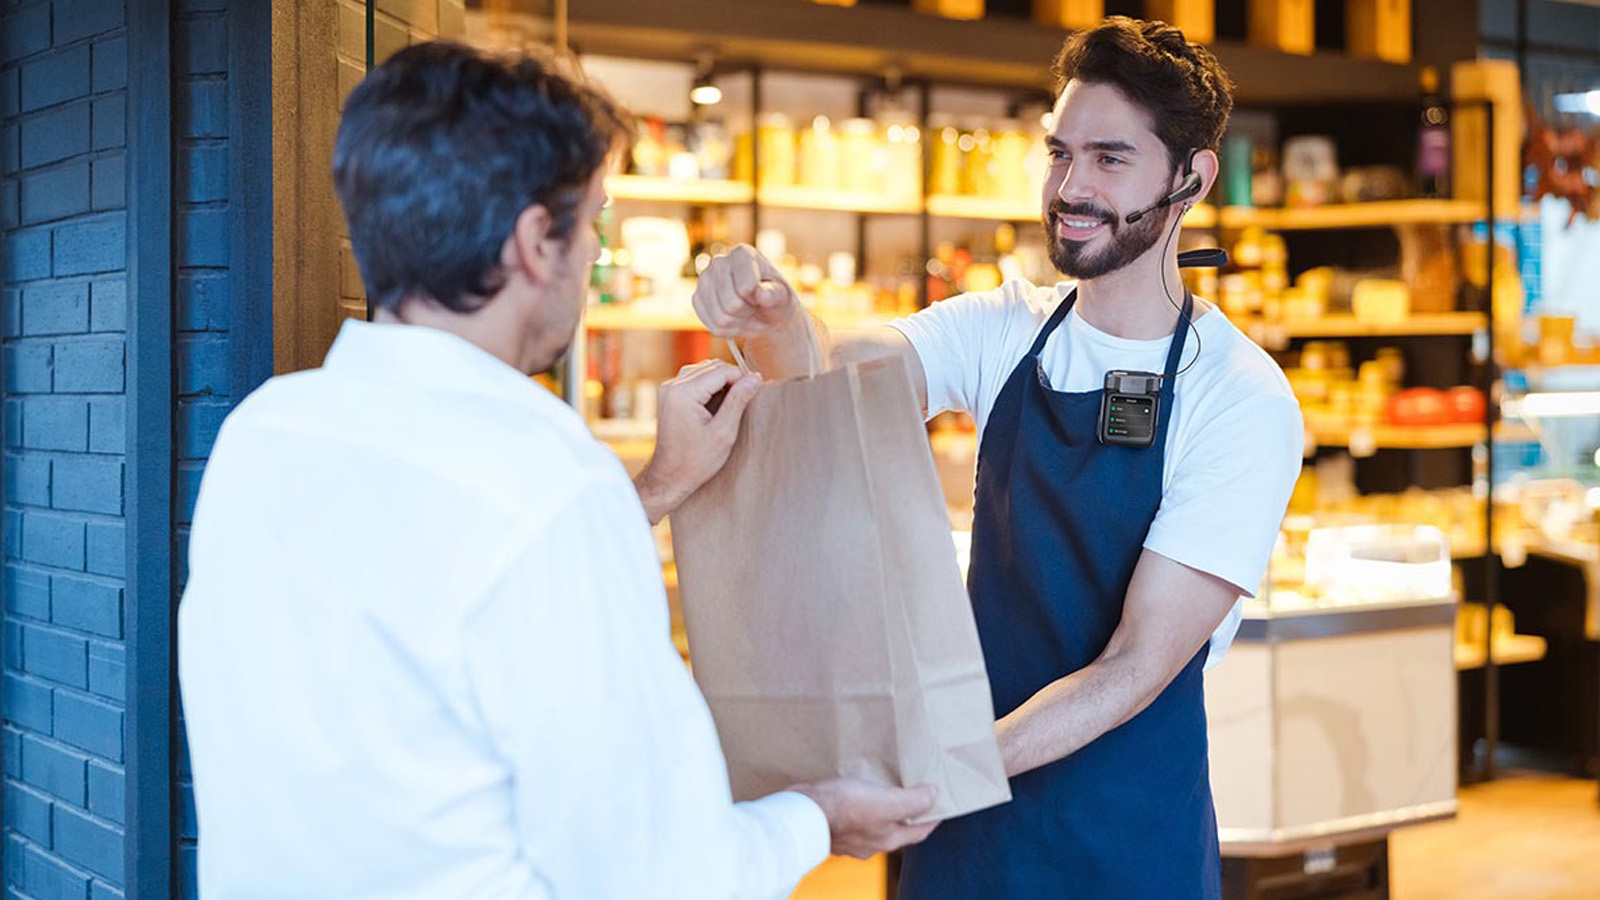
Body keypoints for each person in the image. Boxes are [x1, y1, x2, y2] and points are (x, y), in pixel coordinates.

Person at [178, 41, 938, 900]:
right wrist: (819, 817)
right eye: (593, 224)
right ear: (538, 241)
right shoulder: (546, 482)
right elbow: (659, 874)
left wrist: (657, 486)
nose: (592, 257)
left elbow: (439, 595)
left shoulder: (265, 433)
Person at [693, 17, 1302, 899]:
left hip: (1121, 836)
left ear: (1191, 178)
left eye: (1109, 159)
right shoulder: (1006, 327)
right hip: (964, 835)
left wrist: (954, 765)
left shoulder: (1237, 393)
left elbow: (1137, 663)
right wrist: (775, 320)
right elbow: (835, 384)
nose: (1070, 187)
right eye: (1059, 154)